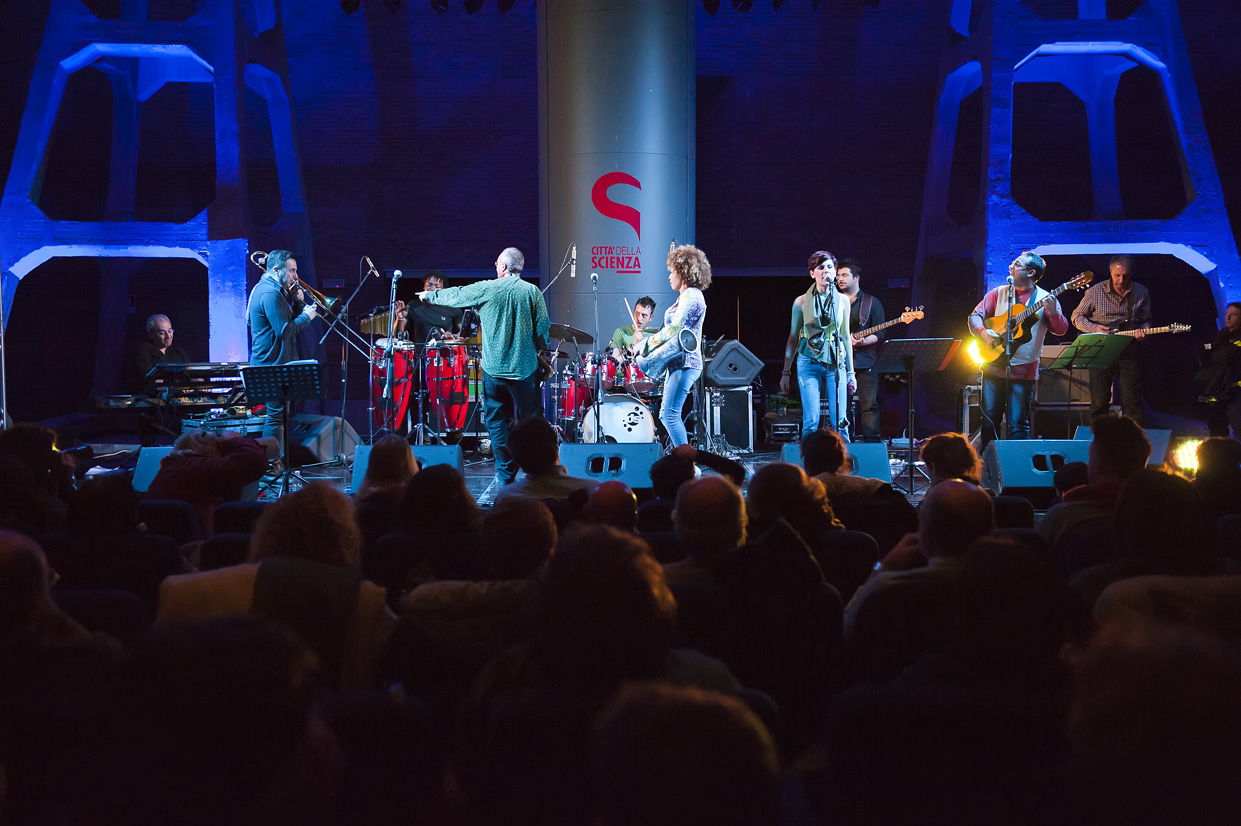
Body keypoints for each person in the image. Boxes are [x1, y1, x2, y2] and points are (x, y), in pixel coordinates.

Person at [418, 248, 549, 486]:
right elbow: (543, 330)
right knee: (531, 424)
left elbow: (458, 295)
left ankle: (506, 478)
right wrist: (540, 348)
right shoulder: (533, 292)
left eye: (497, 263)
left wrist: (429, 297)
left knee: (498, 424)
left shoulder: (488, 288)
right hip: (524, 371)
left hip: (494, 372)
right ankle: (535, 475)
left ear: (503, 267)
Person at [967, 251, 1069, 447]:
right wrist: (983, 332)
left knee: (1018, 426)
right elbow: (975, 317)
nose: (1010, 267)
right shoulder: (997, 293)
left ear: (1031, 273)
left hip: (1024, 369)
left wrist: (1054, 312)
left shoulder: (1046, 298)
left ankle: (1016, 471)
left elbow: (1061, 330)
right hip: (993, 366)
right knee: (989, 422)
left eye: (1016, 264)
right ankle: (989, 468)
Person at [636, 246, 712, 448]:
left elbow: (675, 329)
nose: (669, 276)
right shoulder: (686, 296)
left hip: (686, 362)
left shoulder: (692, 295)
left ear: (683, 271)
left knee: (669, 415)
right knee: (667, 414)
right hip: (679, 363)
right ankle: (687, 464)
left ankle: (688, 465)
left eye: (672, 271)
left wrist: (646, 345)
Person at [779, 251, 856, 439]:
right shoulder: (800, 302)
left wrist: (851, 374)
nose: (825, 271)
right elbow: (793, 337)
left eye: (830, 267)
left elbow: (845, 336)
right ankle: (808, 464)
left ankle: (843, 463)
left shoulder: (843, 300)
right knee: (811, 421)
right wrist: (785, 372)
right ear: (812, 273)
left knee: (840, 420)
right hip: (808, 360)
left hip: (835, 361)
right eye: (820, 268)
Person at [246, 249, 318, 443]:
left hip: (277, 362)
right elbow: (284, 331)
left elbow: (285, 323)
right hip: (271, 365)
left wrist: (297, 303)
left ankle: (280, 462)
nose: (296, 276)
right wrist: (306, 316)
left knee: (283, 415)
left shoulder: (276, 291)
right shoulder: (270, 293)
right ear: (277, 270)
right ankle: (272, 463)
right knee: (276, 416)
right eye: (292, 271)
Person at [1072, 254, 1151, 424]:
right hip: (1102, 349)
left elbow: (1145, 319)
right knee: (1100, 400)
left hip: (1128, 348)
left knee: (1132, 399)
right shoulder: (1095, 292)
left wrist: (1143, 331)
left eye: (1126, 276)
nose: (1121, 280)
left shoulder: (1141, 292)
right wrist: (1095, 328)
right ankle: (1099, 441)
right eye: (1117, 275)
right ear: (1110, 272)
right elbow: (1076, 317)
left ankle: (1133, 441)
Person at [837, 259, 885, 440]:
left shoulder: (872, 303)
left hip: (865, 362)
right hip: (839, 362)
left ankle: (871, 443)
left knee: (869, 405)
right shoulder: (833, 303)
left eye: (844, 275)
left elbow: (880, 332)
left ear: (856, 277)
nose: (840, 279)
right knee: (841, 407)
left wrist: (862, 341)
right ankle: (842, 441)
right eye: (838, 276)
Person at [1197, 301, 1241, 437]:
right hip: (1218, 391)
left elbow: (1226, 355)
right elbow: (1205, 357)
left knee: (1239, 428)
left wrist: (1210, 350)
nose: (1227, 318)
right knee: (1216, 430)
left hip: (1236, 393)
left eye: (1233, 315)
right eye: (1227, 314)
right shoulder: (1222, 335)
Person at [402, 270, 475, 343]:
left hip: (445, 352)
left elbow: (465, 333)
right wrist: (399, 318)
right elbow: (397, 335)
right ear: (424, 285)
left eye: (437, 287)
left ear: (443, 290)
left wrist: (454, 337)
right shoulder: (414, 305)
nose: (433, 289)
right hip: (421, 353)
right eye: (429, 285)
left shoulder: (452, 307)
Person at [131, 314, 189, 394]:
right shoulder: (142, 350)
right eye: (162, 333)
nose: (168, 336)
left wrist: (199, 382)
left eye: (170, 331)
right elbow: (148, 378)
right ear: (151, 334)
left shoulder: (177, 350)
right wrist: (175, 386)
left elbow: (188, 372)